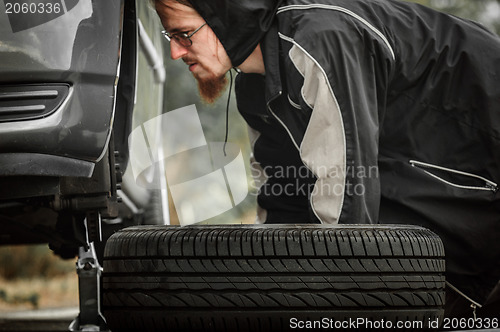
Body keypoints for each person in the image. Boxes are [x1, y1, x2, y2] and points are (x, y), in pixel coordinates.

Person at [154, 0, 500, 318]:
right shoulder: (255, 88)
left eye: (184, 34)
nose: (174, 52)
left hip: (476, 169)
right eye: (169, 35)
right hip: (424, 179)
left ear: (226, 16)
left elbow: (347, 203)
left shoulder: (319, 39)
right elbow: (283, 201)